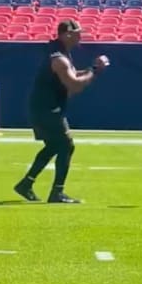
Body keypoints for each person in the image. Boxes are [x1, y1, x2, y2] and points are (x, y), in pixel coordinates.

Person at [14, 20, 110, 203]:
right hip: (47, 109)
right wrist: (95, 72)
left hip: (43, 107)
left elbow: (73, 75)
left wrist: (92, 69)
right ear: (67, 34)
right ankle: (57, 192)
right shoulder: (59, 59)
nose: (80, 36)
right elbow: (74, 85)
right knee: (66, 145)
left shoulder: (60, 54)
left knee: (54, 146)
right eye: (77, 33)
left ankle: (26, 184)